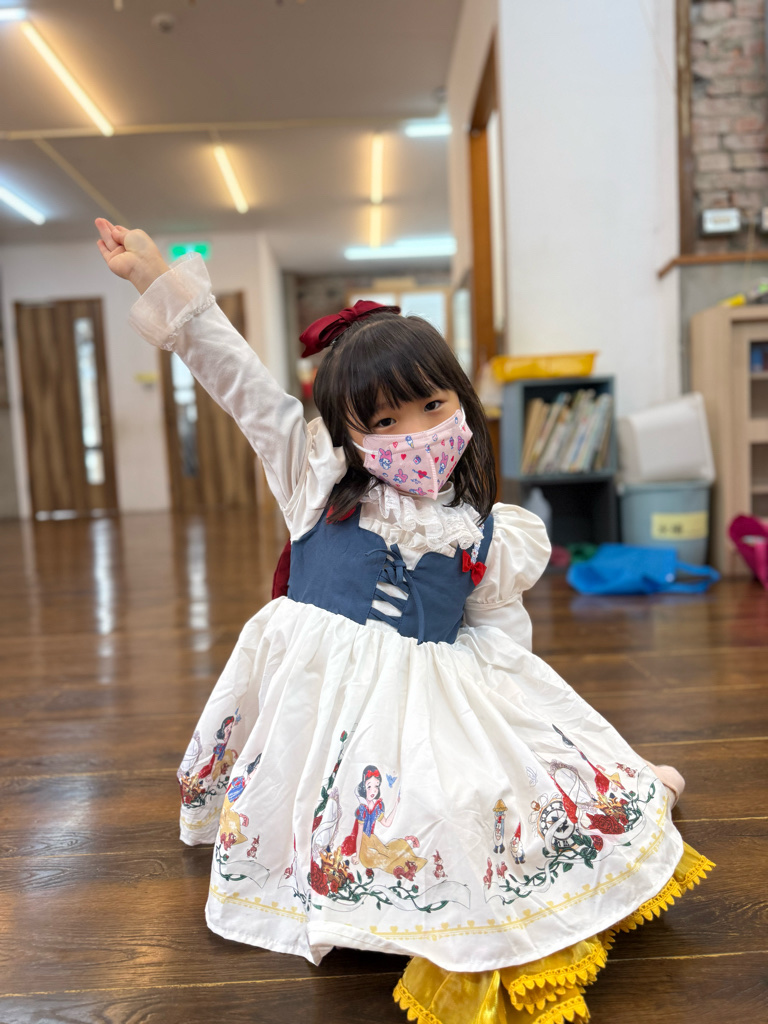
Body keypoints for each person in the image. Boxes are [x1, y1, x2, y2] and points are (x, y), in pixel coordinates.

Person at [95, 218, 712, 1024]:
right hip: (323, 703)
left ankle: (624, 791)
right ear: (347, 433)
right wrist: (156, 280)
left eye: (432, 405)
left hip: (432, 697)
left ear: (461, 400)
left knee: (478, 795)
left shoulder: (484, 530)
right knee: (385, 818)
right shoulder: (312, 478)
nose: (416, 433)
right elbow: (237, 380)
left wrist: (521, 723)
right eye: (384, 422)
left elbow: (498, 634)